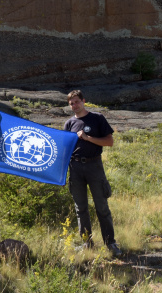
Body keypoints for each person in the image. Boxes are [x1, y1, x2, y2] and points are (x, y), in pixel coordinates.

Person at [64, 89, 123, 257]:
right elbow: (65, 147)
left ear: (83, 101)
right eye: (71, 103)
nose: (74, 105)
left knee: (102, 207)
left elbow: (109, 142)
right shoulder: (69, 124)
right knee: (80, 208)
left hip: (94, 167)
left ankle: (110, 243)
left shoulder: (97, 118)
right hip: (75, 168)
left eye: (77, 102)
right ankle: (87, 243)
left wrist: (88, 138)